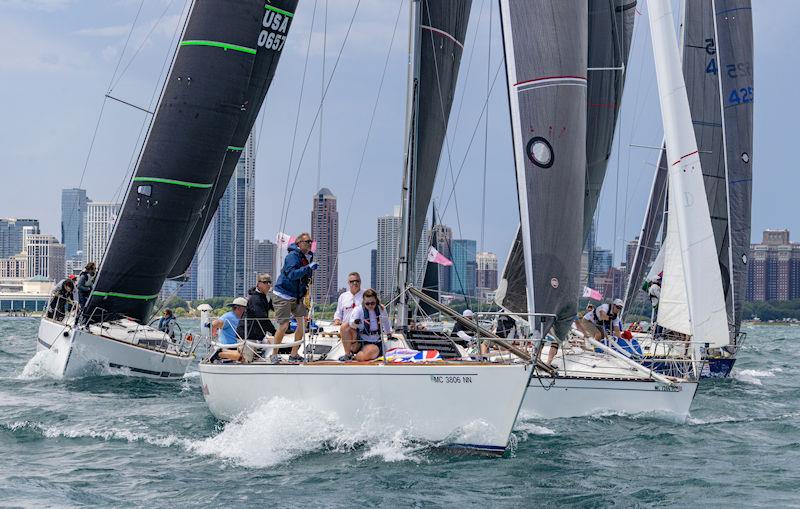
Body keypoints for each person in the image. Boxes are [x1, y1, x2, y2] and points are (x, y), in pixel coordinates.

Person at [271, 232, 318, 362]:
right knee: (284, 325)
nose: (310, 244)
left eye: (310, 241)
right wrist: (307, 268)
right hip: (283, 295)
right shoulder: (292, 257)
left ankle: (294, 354)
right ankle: (274, 354)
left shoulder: (307, 257)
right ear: (299, 243)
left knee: (303, 324)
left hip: (296, 296)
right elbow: (292, 275)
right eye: (307, 241)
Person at [344, 288, 392, 362]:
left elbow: (386, 322)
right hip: (360, 340)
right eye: (367, 303)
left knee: (372, 350)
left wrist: (388, 334)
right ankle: (347, 355)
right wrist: (355, 322)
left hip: (375, 341)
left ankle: (355, 357)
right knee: (345, 326)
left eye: (372, 303)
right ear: (364, 301)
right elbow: (351, 323)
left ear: (376, 301)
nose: (370, 305)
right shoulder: (358, 309)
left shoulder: (381, 309)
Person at [236, 274, 277, 341]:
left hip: (256, 334)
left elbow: (275, 309)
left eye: (269, 282)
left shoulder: (266, 296)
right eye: (265, 282)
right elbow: (261, 317)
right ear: (258, 284)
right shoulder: (255, 299)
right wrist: (274, 332)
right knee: (249, 351)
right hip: (247, 334)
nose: (268, 285)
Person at [334, 272, 364, 359]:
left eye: (357, 281)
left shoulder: (365, 294)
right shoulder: (343, 296)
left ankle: (350, 353)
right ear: (348, 283)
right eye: (352, 281)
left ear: (360, 282)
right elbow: (338, 313)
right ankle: (348, 353)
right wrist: (336, 320)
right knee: (344, 326)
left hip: (360, 328)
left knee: (354, 346)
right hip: (346, 329)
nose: (355, 283)